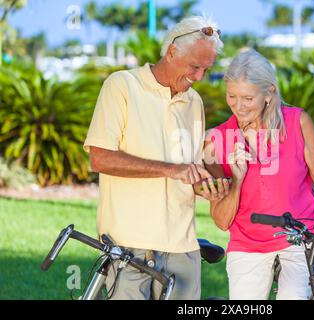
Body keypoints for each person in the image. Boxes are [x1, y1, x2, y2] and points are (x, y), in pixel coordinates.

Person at [83, 16, 225, 300]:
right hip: (128, 244)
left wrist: (208, 183)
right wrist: (171, 169)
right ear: (172, 52)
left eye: (206, 69)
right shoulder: (122, 85)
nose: (198, 77)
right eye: (194, 66)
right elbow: (100, 158)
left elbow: (190, 169)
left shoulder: (193, 102)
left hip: (182, 247)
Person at [203, 49, 314, 300]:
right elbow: (222, 221)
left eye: (247, 98)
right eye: (231, 96)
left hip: (300, 236)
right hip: (247, 243)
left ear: (269, 93)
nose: (239, 106)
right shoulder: (216, 140)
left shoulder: (298, 122)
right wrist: (238, 179)